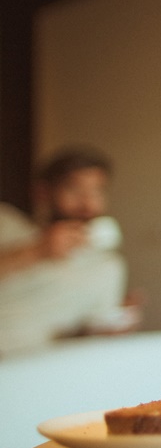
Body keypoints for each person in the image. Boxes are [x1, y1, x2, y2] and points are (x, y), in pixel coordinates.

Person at [0, 147, 140, 355]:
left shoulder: (107, 266)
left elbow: (83, 339)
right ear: (43, 193)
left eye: (98, 190)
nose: (87, 203)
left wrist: (112, 328)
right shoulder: (6, 224)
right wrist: (36, 251)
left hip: (50, 366)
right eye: (75, 190)